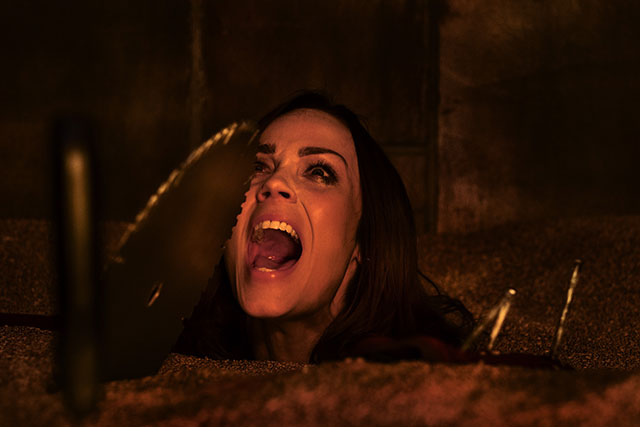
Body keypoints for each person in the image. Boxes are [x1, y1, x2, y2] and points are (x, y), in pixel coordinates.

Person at [174, 91, 474, 363]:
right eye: (258, 166)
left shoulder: (415, 381)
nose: (274, 182)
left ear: (363, 240)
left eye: (319, 172)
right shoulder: (176, 366)